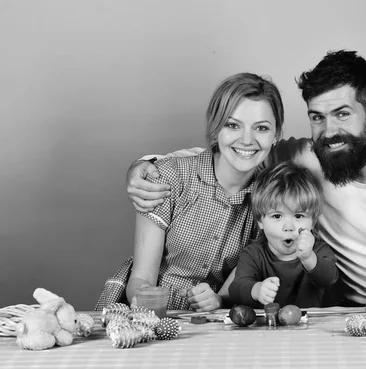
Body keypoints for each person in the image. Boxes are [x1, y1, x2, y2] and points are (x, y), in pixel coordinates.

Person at [126, 50, 366, 306]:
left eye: (342, 113)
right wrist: (146, 165)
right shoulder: (308, 157)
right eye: (317, 117)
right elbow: (234, 154)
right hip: (337, 316)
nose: (330, 131)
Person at [95, 72, 285, 312]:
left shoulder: (271, 201)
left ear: (276, 134)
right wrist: (151, 307)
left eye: (261, 128)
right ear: (216, 128)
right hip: (146, 308)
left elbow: (244, 277)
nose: (247, 140)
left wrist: (218, 300)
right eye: (233, 125)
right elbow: (141, 277)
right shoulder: (169, 177)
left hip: (215, 318)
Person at [228, 161, 338, 308]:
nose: (288, 227)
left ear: (313, 221)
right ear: (260, 221)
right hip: (265, 328)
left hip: (310, 328)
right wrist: (257, 290)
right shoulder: (253, 254)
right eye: (277, 216)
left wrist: (308, 258)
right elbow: (235, 289)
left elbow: (329, 278)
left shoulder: (318, 250)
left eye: (298, 216)